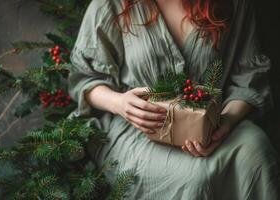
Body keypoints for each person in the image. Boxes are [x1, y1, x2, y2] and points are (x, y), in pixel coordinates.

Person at [67, 0, 280, 199]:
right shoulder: (111, 4)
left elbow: (248, 76)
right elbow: (86, 78)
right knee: (196, 177)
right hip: (138, 130)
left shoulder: (234, 4)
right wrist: (121, 103)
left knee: (255, 150)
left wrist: (225, 122)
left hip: (214, 123)